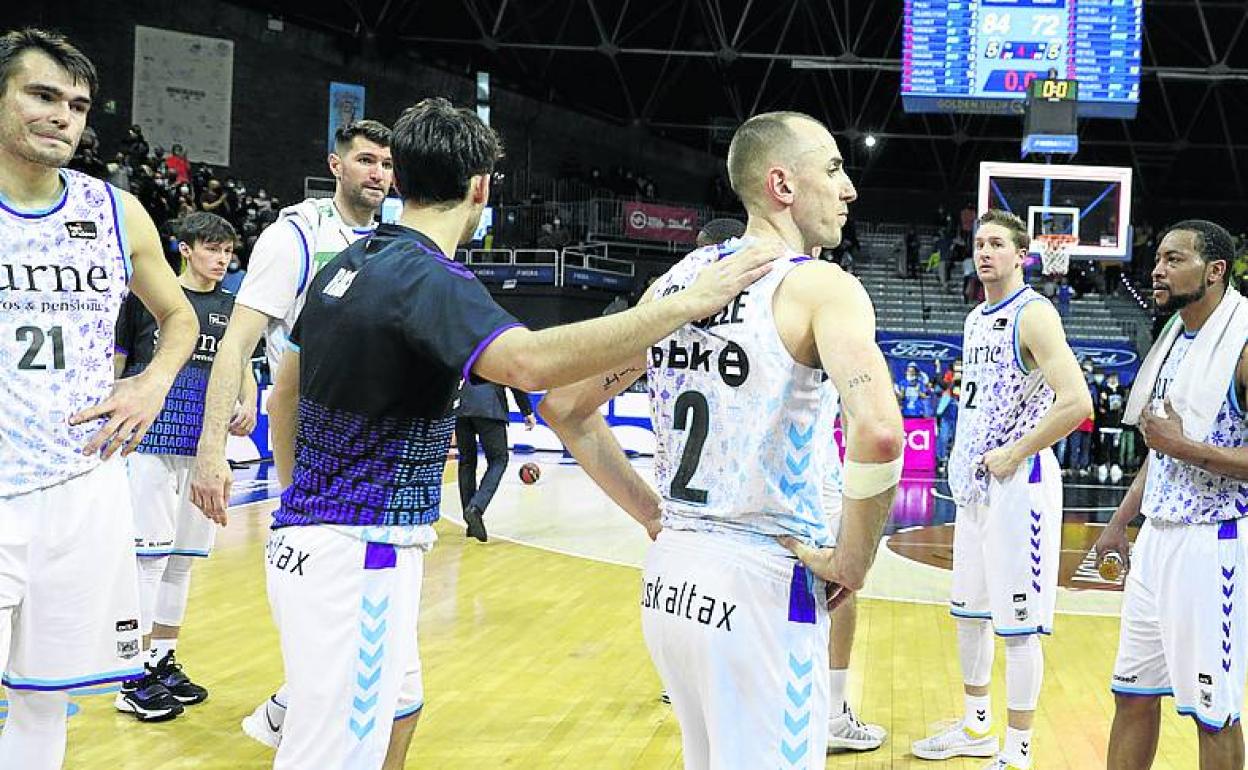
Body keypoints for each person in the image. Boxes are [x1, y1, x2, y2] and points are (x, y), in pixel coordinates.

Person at [261, 96, 780, 769]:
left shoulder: (346, 265)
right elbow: (531, 365)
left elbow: (283, 396)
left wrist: (296, 501)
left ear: (401, 177)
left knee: (398, 706)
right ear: (479, 187)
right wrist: (685, 305)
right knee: (329, 755)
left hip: (307, 538)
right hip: (360, 550)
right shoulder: (431, 279)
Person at [541, 110, 904, 769]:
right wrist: (853, 560)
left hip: (672, 579)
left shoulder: (680, 282)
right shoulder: (823, 287)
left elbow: (567, 407)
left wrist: (652, 515)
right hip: (760, 583)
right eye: (833, 168)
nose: (848, 188)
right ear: (783, 185)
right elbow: (879, 435)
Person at [0, 28, 198, 769]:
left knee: (45, 700)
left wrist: (151, 384)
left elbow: (179, 318)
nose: (63, 116)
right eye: (41, 95)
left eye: (77, 105)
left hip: (82, 485)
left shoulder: (114, 211)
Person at [187, 118, 394, 748]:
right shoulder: (295, 236)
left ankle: (289, 706)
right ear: (335, 165)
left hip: (377, 445)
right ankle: (296, 714)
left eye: (386, 164)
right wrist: (212, 449)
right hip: (306, 435)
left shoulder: (398, 239)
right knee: (325, 589)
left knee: (364, 601)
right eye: (365, 160)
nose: (378, 174)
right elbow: (237, 342)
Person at [911, 210, 1090, 770]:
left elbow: (1077, 403)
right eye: (978, 242)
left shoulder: (1034, 315)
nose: (984, 251)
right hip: (975, 490)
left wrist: (1014, 453)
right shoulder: (974, 318)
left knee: (1016, 626)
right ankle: (976, 728)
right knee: (969, 614)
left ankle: (1018, 751)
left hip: (1022, 487)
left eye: (996, 244)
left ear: (1021, 255)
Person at [1094, 220, 1248, 770]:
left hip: (1214, 544)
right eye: (1157, 258)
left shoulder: (1242, 343)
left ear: (1214, 272)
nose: (1157, 269)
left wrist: (1184, 447)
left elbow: (1173, 444)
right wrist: (1119, 522)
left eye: (1174, 259)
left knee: (1214, 713)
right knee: (1131, 692)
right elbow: (1160, 450)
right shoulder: (1173, 340)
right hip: (1157, 541)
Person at [112, 212, 257, 721]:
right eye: (212, 249)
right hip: (149, 442)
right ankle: (127, 675)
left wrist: (248, 399)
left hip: (203, 447)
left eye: (227, 251)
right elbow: (117, 365)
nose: (221, 260)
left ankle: (159, 659)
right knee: (146, 560)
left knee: (180, 559)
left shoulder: (232, 308)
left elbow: (242, 367)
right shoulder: (149, 298)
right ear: (185, 248)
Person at [457, 382, 536, 542]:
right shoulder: (498, 356)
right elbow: (514, 380)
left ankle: (471, 523)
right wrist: (527, 411)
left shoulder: (466, 355)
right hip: (489, 407)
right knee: (499, 460)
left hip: (461, 407)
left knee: (467, 462)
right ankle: (476, 507)